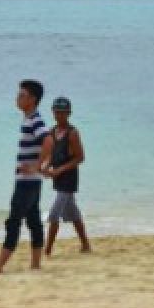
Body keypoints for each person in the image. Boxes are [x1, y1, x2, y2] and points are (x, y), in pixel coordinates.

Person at [0, 80, 50, 274]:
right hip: (30, 181)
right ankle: (35, 264)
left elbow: (48, 141)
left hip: (28, 182)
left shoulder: (35, 120)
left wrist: (36, 166)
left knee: (14, 221)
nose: (18, 98)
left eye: (22, 95)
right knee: (33, 220)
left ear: (32, 99)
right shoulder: (29, 119)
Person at [41, 96, 91, 256]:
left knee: (54, 214)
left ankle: (47, 250)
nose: (59, 115)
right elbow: (51, 154)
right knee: (73, 213)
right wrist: (46, 167)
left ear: (69, 113)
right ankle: (85, 245)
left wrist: (60, 170)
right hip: (58, 178)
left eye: (62, 113)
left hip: (69, 179)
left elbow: (80, 157)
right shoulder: (52, 132)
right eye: (56, 112)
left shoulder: (72, 133)